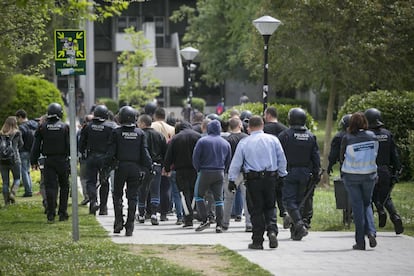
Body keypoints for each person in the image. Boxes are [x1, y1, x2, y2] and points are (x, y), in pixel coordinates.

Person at [228, 116, 287, 250]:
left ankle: (258, 240)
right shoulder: (273, 140)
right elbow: (281, 159)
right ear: (262, 125)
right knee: (270, 207)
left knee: (256, 209)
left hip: (253, 180)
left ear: (249, 127)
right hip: (271, 178)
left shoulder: (244, 142)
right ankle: (272, 231)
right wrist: (282, 175)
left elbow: (236, 163)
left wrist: (232, 180)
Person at [108, 106, 152, 236]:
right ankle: (130, 226)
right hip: (135, 169)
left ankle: (118, 222)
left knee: (117, 196)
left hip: (120, 167)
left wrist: (106, 166)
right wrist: (149, 167)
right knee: (133, 197)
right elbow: (144, 153)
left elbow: (111, 152)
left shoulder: (116, 132)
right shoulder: (140, 133)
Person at [278, 108, 320, 240]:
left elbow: (278, 155)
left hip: (289, 172)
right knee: (299, 201)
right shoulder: (311, 136)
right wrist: (316, 173)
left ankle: (300, 226)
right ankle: (295, 232)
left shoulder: (285, 135)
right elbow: (315, 157)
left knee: (289, 201)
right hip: (305, 173)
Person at [340, 112, 379, 250]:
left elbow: (341, 157)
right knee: (367, 204)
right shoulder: (372, 136)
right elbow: (376, 155)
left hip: (351, 176)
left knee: (357, 206)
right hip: (369, 175)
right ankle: (371, 232)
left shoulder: (347, 138)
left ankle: (360, 242)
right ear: (365, 123)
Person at [365, 108, 404, 234]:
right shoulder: (387, 134)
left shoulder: (366, 135)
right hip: (385, 170)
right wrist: (397, 168)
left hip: (370, 170)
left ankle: (369, 226)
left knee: (369, 198)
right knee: (386, 197)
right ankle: (395, 216)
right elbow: (394, 154)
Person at [31, 103, 70, 223]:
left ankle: (51, 214)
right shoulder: (64, 127)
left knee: (50, 187)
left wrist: (34, 160)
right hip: (62, 160)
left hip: (49, 160)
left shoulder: (42, 127)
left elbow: (36, 146)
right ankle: (62, 213)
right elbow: (69, 145)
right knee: (64, 187)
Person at [192, 119, 231, 233]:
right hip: (219, 172)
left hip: (205, 171)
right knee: (219, 199)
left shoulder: (202, 141)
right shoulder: (225, 143)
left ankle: (205, 220)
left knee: (199, 195)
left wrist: (198, 169)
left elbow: (195, 158)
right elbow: (228, 160)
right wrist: (224, 170)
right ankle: (219, 224)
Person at [79, 105, 115, 216]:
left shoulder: (87, 126)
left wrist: (84, 156)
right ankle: (103, 208)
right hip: (105, 158)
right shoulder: (110, 127)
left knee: (91, 181)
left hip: (91, 157)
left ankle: (93, 202)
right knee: (104, 182)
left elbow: (81, 144)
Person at [164, 121, 201, 228]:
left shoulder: (175, 139)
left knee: (184, 194)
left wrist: (167, 168)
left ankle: (188, 218)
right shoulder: (198, 136)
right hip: (195, 169)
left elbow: (169, 155)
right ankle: (193, 212)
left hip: (180, 170)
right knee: (194, 192)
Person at [136, 114, 167, 225]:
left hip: (143, 167)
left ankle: (141, 214)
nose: (137, 125)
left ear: (143, 123)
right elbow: (165, 152)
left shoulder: (140, 135)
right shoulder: (159, 135)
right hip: (157, 165)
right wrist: (164, 165)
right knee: (155, 190)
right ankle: (154, 214)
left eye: (139, 123)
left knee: (142, 191)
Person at [263, 106, 291, 229]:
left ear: (268, 115)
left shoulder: (264, 130)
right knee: (281, 193)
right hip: (282, 166)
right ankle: (284, 212)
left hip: (267, 168)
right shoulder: (284, 130)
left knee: (269, 195)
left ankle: (269, 220)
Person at [222, 117, 251, 232]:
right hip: (245, 172)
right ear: (240, 125)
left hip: (230, 172)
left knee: (228, 199)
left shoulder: (227, 139)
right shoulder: (247, 139)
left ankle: (225, 223)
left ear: (230, 126)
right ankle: (249, 223)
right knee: (247, 198)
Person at [151, 107, 175, 220]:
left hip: (154, 160)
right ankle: (164, 213)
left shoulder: (153, 126)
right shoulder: (172, 128)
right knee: (165, 187)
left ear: (155, 115)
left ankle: (150, 211)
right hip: (167, 160)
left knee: (152, 188)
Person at [0, 116, 23, 205]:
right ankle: (12, 193)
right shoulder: (17, 133)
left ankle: (6, 201)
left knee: (5, 181)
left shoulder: (1, 133)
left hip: (2, 160)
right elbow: (21, 144)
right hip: (15, 159)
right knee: (17, 178)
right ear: (15, 123)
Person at [15, 109, 38, 197]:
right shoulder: (34, 124)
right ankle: (29, 189)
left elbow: (20, 141)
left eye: (18, 118)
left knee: (24, 171)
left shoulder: (21, 127)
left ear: (20, 117)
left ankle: (28, 191)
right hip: (33, 151)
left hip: (24, 151)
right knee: (27, 171)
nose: (17, 121)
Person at [77, 114, 94, 206]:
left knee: (83, 178)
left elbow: (79, 145)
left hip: (84, 158)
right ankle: (93, 197)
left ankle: (87, 196)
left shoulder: (81, 131)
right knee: (94, 178)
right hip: (95, 157)